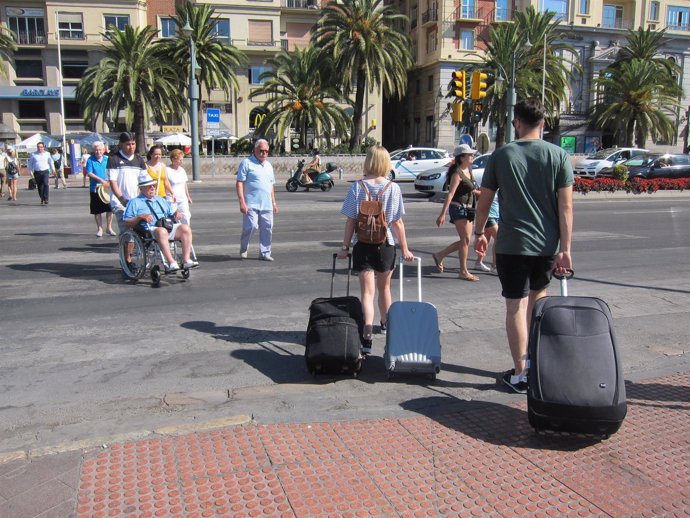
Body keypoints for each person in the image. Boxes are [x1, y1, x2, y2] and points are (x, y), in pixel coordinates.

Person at [474, 98, 573, 394]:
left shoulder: (501, 155)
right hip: (546, 245)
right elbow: (566, 207)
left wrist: (479, 232)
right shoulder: (558, 156)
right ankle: (538, 367)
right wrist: (566, 249)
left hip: (512, 244)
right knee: (538, 303)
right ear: (542, 123)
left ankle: (521, 373)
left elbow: (485, 201)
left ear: (516, 122)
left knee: (514, 307)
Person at [337, 145, 414, 355]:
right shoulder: (393, 188)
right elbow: (397, 223)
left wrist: (345, 247)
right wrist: (405, 249)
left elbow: (350, 220)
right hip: (385, 245)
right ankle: (388, 328)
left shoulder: (357, 187)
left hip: (363, 245)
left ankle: (367, 338)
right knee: (385, 289)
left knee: (367, 293)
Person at [123, 173, 198, 272]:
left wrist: (176, 213)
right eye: (149, 186)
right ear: (141, 188)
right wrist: (140, 217)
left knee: (185, 228)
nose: (152, 188)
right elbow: (127, 222)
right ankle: (171, 262)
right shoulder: (134, 202)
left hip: (166, 225)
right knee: (162, 231)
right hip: (149, 229)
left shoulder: (160, 200)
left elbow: (171, 212)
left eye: (153, 185)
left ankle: (186, 259)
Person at [431, 144, 481, 282]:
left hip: (469, 209)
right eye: (470, 154)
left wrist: (480, 192)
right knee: (465, 240)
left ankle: (440, 255)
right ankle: (463, 271)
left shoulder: (468, 170)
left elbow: (471, 190)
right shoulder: (457, 173)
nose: (472, 156)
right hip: (458, 208)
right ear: (462, 157)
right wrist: (442, 214)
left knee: (466, 240)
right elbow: (450, 194)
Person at [108, 132, 147, 266]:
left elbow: (144, 182)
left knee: (143, 231)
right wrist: (121, 199)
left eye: (133, 144)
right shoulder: (114, 159)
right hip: (120, 203)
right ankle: (127, 261)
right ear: (121, 144)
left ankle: (135, 256)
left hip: (136, 202)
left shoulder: (139, 160)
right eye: (128, 144)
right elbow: (113, 182)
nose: (131, 147)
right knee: (128, 232)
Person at [236, 139, 278, 261]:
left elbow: (271, 185)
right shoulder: (246, 163)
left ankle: (265, 253)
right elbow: (239, 183)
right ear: (255, 150)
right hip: (251, 203)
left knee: (267, 228)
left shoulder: (269, 165)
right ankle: (244, 247)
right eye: (261, 151)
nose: (264, 153)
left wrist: (274, 202)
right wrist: (242, 202)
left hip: (267, 204)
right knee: (251, 226)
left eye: (266, 151)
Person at [85, 141, 115, 237]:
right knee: (97, 210)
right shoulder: (90, 160)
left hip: (107, 187)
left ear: (103, 150)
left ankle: (109, 227)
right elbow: (89, 172)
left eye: (100, 150)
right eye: (96, 150)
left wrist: (110, 181)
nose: (98, 152)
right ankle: (100, 228)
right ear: (94, 150)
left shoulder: (108, 159)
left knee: (110, 209)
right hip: (95, 188)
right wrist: (101, 180)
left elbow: (112, 171)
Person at [166, 149, 192, 225]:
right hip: (172, 199)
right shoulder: (167, 170)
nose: (181, 162)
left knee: (186, 216)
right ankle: (175, 235)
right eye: (180, 160)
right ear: (173, 159)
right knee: (174, 219)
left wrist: (188, 196)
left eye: (182, 160)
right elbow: (166, 184)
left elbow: (184, 184)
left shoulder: (182, 170)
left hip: (182, 198)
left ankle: (186, 233)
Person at [474, 195, 500, 273]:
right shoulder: (488, 184)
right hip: (489, 216)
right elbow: (481, 193)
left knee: (486, 240)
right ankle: (494, 266)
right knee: (498, 239)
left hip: (496, 215)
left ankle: (478, 263)